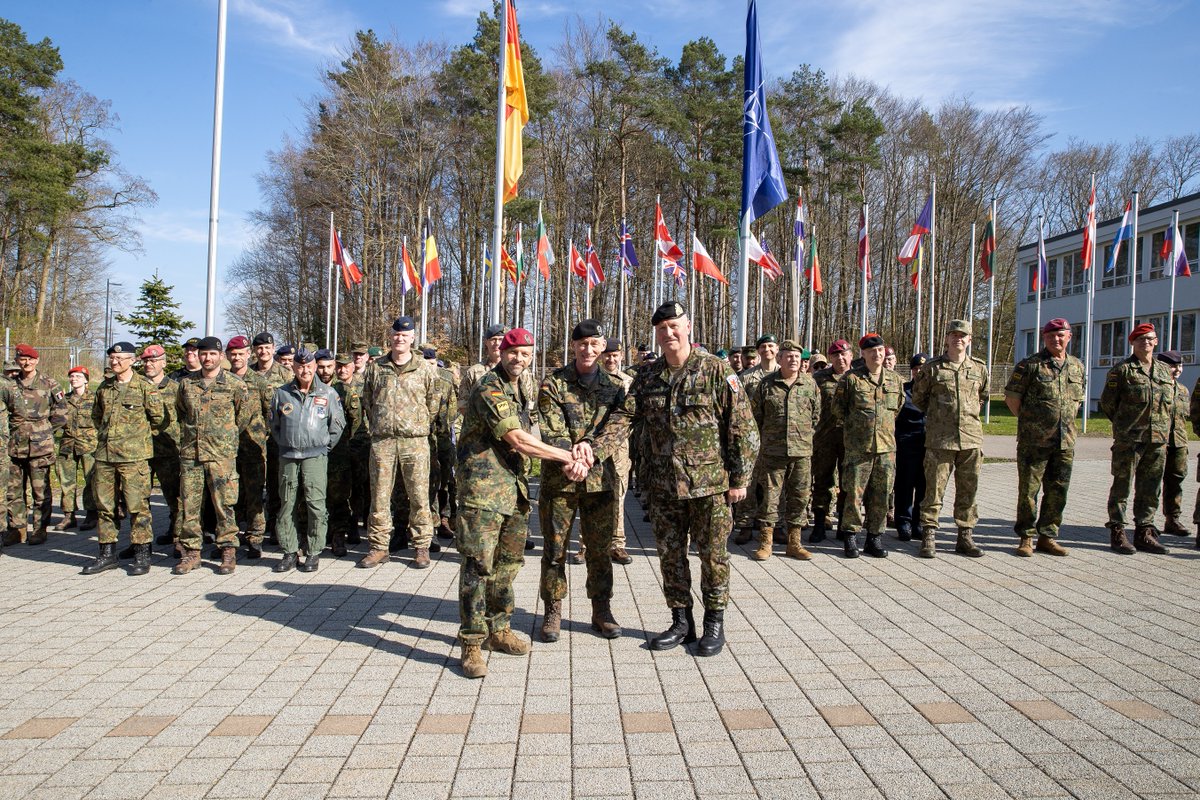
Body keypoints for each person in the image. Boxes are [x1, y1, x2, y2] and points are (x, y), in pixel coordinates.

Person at [592, 302, 758, 657]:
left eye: (673, 326)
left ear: (688, 327)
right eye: (662, 328)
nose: (668, 333)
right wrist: (592, 451)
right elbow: (624, 418)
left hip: (710, 486)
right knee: (670, 556)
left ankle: (714, 623)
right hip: (664, 487)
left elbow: (742, 426)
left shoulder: (715, 370)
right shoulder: (648, 377)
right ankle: (681, 621)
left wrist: (739, 479)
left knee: (713, 556)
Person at [456, 328, 582, 678]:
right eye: (513, 352)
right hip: (482, 492)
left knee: (508, 565)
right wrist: (566, 456)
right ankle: (471, 643)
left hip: (513, 489)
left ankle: (499, 629)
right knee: (478, 568)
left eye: (526, 354)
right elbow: (518, 439)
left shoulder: (521, 387)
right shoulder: (489, 387)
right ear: (501, 352)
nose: (519, 359)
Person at [536, 320, 626, 643]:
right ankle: (553, 610)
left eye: (594, 344)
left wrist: (590, 455)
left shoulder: (615, 388)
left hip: (600, 480)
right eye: (582, 344)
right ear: (573, 346)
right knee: (555, 548)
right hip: (560, 480)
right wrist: (571, 459)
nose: (588, 350)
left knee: (600, 549)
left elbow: (617, 429)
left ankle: (601, 610)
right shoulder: (554, 383)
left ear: (602, 347)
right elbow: (551, 428)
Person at [359, 316, 443, 569]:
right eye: (396, 334)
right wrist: (382, 424)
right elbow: (368, 401)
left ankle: (421, 546)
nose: (400, 339)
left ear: (412, 338)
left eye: (405, 335)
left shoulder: (425, 368)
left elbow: (433, 403)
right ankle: (378, 547)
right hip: (383, 441)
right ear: (391, 336)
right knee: (379, 496)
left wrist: (415, 423)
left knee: (418, 496)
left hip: (414, 441)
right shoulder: (376, 368)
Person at [82, 342, 166, 575]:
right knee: (105, 506)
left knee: (138, 507)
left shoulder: (144, 387)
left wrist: (135, 437)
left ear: (132, 360)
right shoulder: (104, 387)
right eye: (112, 358)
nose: (114, 361)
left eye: (120, 358)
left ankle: (142, 554)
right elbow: (97, 417)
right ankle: (107, 554)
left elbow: (158, 418)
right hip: (105, 456)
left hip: (133, 457)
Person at [1004, 318, 1084, 557]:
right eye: (1050, 336)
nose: (1055, 339)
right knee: (1029, 491)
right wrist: (1031, 422)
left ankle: (1048, 536)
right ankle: (1026, 537)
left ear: (1069, 337)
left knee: (1058, 490)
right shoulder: (1030, 365)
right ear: (1044, 338)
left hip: (1064, 441)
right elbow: (1012, 399)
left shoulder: (1077, 366)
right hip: (1034, 441)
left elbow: (1077, 401)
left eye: (1060, 335)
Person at [173, 336, 253, 574]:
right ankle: (191, 553)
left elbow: (243, 418)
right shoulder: (186, 385)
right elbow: (181, 413)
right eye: (203, 354)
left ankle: (228, 550)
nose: (207, 358)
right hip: (192, 455)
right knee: (189, 505)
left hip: (221, 455)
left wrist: (223, 437)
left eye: (212, 354)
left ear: (221, 356)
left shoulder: (235, 384)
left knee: (224, 505)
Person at [911, 320, 990, 558]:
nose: (958, 339)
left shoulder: (979, 368)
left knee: (968, 490)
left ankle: (965, 535)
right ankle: (929, 535)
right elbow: (918, 398)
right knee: (934, 490)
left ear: (969, 340)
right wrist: (939, 416)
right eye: (954, 335)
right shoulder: (932, 368)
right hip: (940, 440)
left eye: (962, 335)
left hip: (971, 438)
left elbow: (983, 396)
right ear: (946, 338)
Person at [1099, 323, 1175, 554]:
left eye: (1150, 338)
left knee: (1150, 488)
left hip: (1157, 439)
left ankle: (1144, 532)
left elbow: (1169, 404)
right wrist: (1126, 426)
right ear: (1132, 342)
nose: (1146, 342)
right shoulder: (1122, 370)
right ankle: (1118, 531)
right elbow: (1108, 403)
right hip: (1130, 440)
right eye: (1141, 339)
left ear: (1156, 341)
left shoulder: (1164, 371)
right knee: (1122, 486)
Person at [270, 348, 345, 573]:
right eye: (300, 367)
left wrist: (323, 447)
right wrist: (286, 443)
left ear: (315, 368)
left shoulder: (328, 393)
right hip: (289, 456)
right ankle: (290, 551)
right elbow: (274, 425)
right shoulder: (282, 393)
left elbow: (337, 425)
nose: (305, 371)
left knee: (315, 504)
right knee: (287, 504)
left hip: (315, 457)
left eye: (309, 367)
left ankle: (314, 551)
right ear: (293, 368)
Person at [834, 334, 904, 559]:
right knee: (854, 494)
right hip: (859, 449)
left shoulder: (895, 380)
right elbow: (838, 410)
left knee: (882, 495)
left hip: (886, 449)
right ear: (863, 354)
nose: (877, 354)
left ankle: (874, 537)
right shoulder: (851, 379)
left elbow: (897, 408)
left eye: (880, 350)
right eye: (872, 351)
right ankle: (850, 535)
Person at [749, 339, 819, 561]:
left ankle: (794, 543)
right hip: (773, 452)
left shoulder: (809, 384)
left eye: (797, 357)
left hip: (801, 452)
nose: (793, 360)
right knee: (770, 497)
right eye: (788, 356)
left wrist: (803, 437)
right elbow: (756, 417)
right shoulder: (767, 384)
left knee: (799, 497)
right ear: (780, 359)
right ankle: (765, 543)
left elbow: (816, 416)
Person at [1, 343, 66, 545]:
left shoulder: (49, 383)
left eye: (30, 359)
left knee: (40, 491)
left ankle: (39, 529)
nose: (26, 362)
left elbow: (61, 412)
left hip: (40, 447)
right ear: (17, 361)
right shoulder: (10, 384)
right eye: (22, 359)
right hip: (15, 445)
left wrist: (45, 431)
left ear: (37, 360)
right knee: (14, 490)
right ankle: (17, 529)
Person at [227, 336, 272, 558]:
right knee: (230, 497)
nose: (237, 357)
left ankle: (255, 538)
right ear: (228, 356)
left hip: (253, 448)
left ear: (248, 354)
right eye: (233, 354)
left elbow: (269, 414)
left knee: (254, 495)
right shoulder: (222, 381)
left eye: (240, 353)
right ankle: (230, 539)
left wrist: (262, 436)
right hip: (226, 450)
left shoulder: (260, 382)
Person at [810, 339, 853, 545]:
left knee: (848, 483)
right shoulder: (819, 379)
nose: (840, 358)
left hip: (850, 441)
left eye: (843, 354)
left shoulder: (857, 377)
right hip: (824, 440)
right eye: (835, 355)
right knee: (822, 482)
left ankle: (844, 524)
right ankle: (819, 523)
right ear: (830, 358)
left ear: (851, 356)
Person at [253, 332, 293, 541]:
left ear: (273, 349)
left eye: (267, 348)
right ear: (255, 350)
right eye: (260, 348)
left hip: (277, 437)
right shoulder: (248, 373)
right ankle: (256, 526)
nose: (263, 351)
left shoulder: (285, 374)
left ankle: (277, 524)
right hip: (252, 438)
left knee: (277, 482)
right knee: (254, 482)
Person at [141, 345, 182, 546]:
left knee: (175, 497)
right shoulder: (136, 387)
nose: (149, 364)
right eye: (146, 361)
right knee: (139, 499)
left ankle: (177, 536)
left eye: (154, 361)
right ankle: (140, 541)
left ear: (163, 363)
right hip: (140, 451)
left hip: (168, 452)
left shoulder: (176, 389)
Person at [600, 337, 633, 564]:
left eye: (615, 356)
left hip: (620, 447)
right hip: (595, 445)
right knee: (592, 493)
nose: (611, 359)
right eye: (607, 355)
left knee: (619, 493)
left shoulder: (628, 382)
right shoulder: (593, 379)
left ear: (621, 356)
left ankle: (618, 544)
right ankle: (585, 545)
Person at [326, 353, 362, 556]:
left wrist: (345, 440)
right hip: (321, 449)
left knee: (349, 490)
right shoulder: (319, 388)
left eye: (345, 365)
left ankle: (347, 528)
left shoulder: (346, 390)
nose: (341, 369)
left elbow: (356, 420)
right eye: (338, 366)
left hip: (347, 447)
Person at [893, 354, 929, 542]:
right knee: (905, 485)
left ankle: (919, 523)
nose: (919, 372)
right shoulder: (904, 390)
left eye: (922, 369)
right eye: (915, 369)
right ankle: (903, 522)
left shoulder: (935, 390)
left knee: (924, 485)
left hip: (929, 443)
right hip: (907, 443)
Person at [56, 365, 97, 531]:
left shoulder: (95, 399)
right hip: (68, 445)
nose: (74, 379)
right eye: (72, 377)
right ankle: (69, 515)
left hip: (89, 445)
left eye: (78, 377)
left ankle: (91, 514)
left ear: (86, 380)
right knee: (66, 481)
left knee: (91, 480)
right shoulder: (64, 400)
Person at [1157, 351, 1191, 538]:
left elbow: (1190, 416)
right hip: (1156, 441)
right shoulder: (1155, 387)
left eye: (1179, 366)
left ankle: (1172, 519)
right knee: (1151, 482)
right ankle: (1146, 522)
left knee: (1176, 481)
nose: (1177, 369)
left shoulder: (1183, 390)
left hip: (1178, 442)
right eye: (1172, 366)